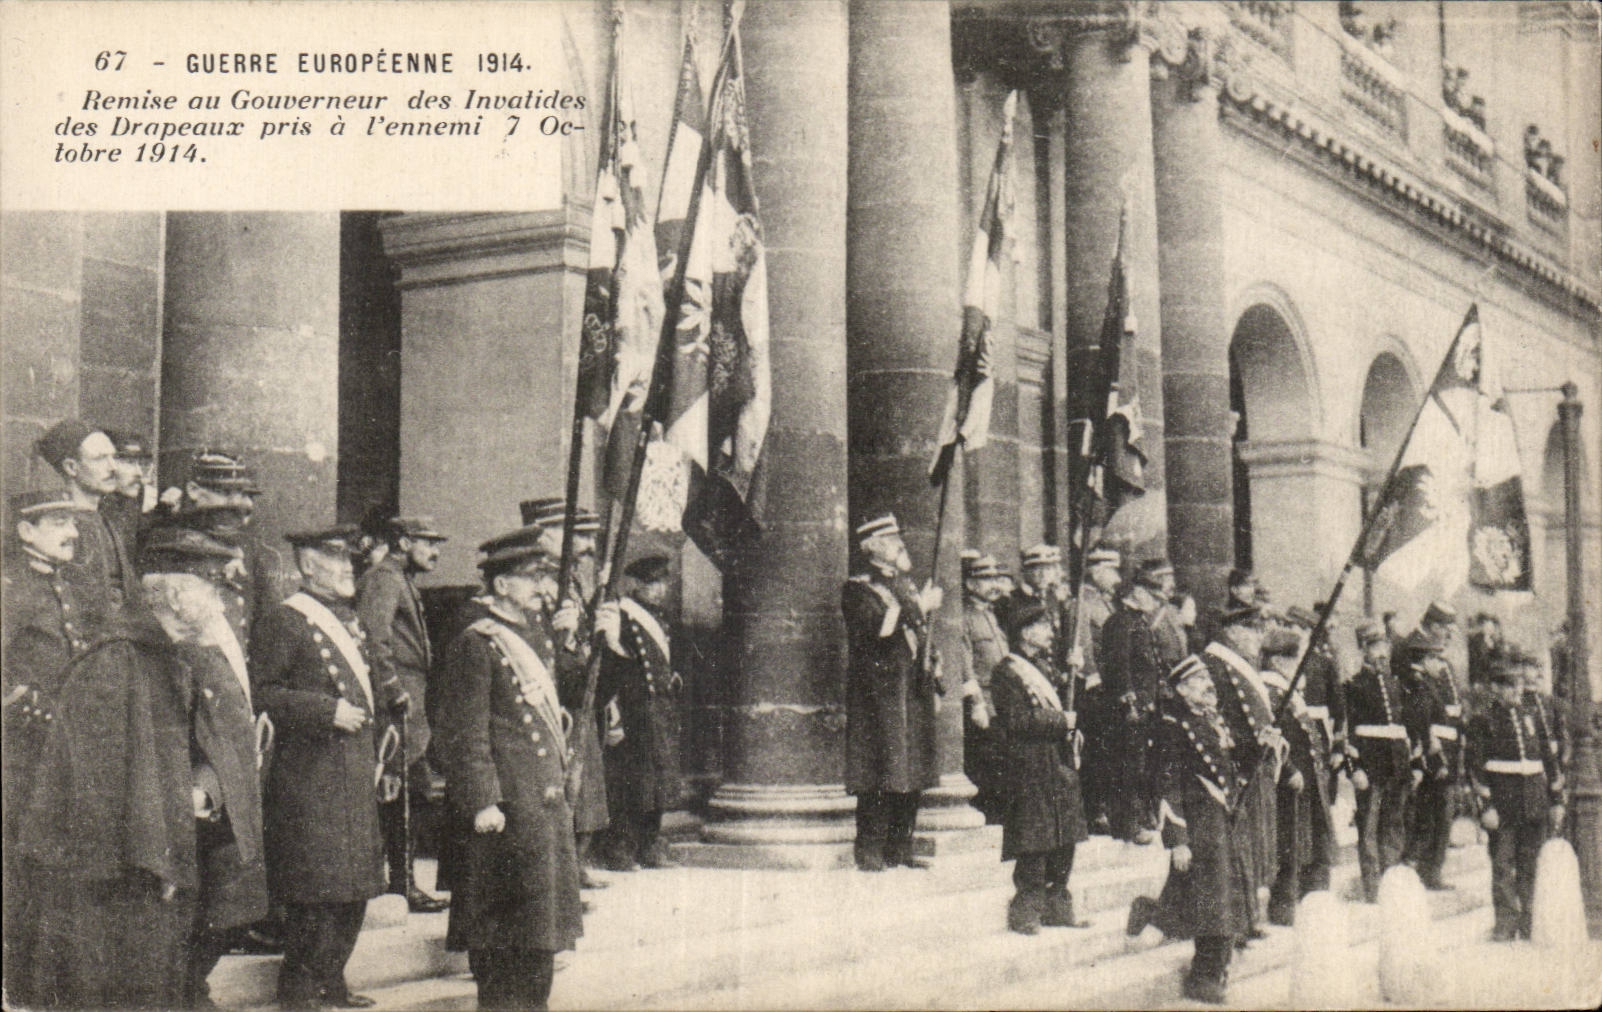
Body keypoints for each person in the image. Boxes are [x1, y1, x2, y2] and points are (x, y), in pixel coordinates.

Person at [3, 490, 196, 1009]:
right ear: (25, 531)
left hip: (81, 748)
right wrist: (30, 710)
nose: (72, 532)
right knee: (27, 874)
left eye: (72, 521)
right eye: (57, 523)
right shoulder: (9, 587)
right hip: (22, 753)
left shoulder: (75, 584)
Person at [252, 524, 408, 1010]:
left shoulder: (349, 619)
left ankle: (332, 981)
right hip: (310, 778)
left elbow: (375, 695)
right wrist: (324, 711)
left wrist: (387, 762)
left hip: (356, 772)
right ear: (307, 565)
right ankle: (300, 992)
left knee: (354, 889)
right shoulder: (285, 620)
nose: (348, 569)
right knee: (317, 892)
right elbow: (262, 694)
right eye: (336, 559)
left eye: (349, 560)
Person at [431, 525, 585, 1010]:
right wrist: (482, 799)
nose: (542, 587)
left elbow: (573, 699)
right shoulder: (477, 642)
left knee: (540, 939)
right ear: (501, 585)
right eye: (532, 577)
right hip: (507, 810)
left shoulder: (538, 635)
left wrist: (577, 642)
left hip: (543, 806)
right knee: (501, 943)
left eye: (543, 576)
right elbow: (464, 731)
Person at [141, 526, 272, 1007]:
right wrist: (203, 787)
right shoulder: (157, 652)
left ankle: (191, 990)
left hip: (224, 800)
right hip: (190, 809)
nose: (220, 600)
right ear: (178, 595)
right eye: (211, 587)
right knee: (191, 917)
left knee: (230, 912)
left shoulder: (206, 640)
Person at [1125, 655, 1252, 1005]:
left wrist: (1263, 745)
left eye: (1207, 679)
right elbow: (1167, 785)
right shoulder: (1173, 726)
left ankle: (1153, 915)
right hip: (1198, 822)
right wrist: (1178, 840)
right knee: (1213, 898)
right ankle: (1204, 975)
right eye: (1199, 681)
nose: (1208, 685)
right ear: (1182, 689)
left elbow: (1234, 764)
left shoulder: (1211, 720)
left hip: (1222, 819)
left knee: (1213, 892)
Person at [356, 515, 452, 914]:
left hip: (409, 700)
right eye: (428, 542)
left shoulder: (399, 579)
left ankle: (400, 881)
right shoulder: (384, 579)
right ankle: (399, 884)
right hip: (394, 706)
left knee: (411, 794)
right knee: (401, 795)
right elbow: (373, 639)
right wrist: (393, 690)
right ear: (404, 542)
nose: (435, 552)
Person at [518, 497, 613, 889]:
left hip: (575, 686)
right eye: (565, 531)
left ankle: (575, 866)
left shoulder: (567, 579)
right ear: (541, 534)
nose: (579, 543)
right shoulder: (536, 579)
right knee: (562, 785)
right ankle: (562, 872)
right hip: (552, 695)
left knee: (585, 783)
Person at [842, 514, 943, 872]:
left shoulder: (906, 585)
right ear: (875, 548)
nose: (901, 545)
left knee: (911, 771)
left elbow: (921, 636)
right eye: (892, 540)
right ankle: (870, 848)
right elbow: (877, 628)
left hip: (911, 689)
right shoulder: (859, 589)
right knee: (879, 771)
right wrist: (920, 607)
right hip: (879, 694)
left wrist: (935, 674)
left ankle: (900, 846)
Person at [992, 601, 1090, 934]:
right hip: (1030, 766)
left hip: (1058, 763)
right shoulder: (1007, 673)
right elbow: (1018, 720)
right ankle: (1026, 912)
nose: (1049, 632)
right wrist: (1062, 721)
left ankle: (1058, 906)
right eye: (1043, 627)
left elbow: (1070, 707)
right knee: (1035, 841)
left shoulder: (1044, 669)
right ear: (1025, 633)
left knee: (1065, 838)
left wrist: (1075, 674)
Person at [1467, 649, 1565, 941]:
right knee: (1502, 864)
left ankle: (1530, 918)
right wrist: (1486, 807)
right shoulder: (1483, 720)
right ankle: (1506, 921)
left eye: (1519, 685)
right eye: (1510, 685)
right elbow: (1475, 768)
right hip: (1503, 804)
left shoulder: (1531, 716)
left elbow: (1549, 760)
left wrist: (1556, 800)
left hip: (1534, 800)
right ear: (1496, 688)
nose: (1516, 691)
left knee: (1530, 863)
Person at [598, 554, 686, 870]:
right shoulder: (622, 615)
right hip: (633, 709)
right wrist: (614, 711)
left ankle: (650, 845)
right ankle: (620, 848)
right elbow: (613, 662)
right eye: (652, 583)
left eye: (662, 583)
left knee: (658, 780)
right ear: (635, 585)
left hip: (658, 709)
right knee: (632, 782)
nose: (659, 590)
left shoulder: (659, 617)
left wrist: (670, 678)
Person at [167, 450, 295, 661]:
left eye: (241, 493)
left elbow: (268, 625)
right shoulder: (167, 541)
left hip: (234, 666)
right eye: (225, 493)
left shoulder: (251, 551)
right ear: (193, 490)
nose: (237, 503)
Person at [1199, 604, 1279, 936]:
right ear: (1233, 632)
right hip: (1233, 767)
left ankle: (1248, 917)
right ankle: (1238, 922)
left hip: (1254, 765)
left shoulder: (1243, 666)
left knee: (1255, 847)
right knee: (1237, 850)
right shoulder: (1212, 664)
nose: (1258, 639)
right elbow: (1214, 717)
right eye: (1253, 631)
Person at [1098, 558, 1175, 843]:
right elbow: (1119, 667)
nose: (1155, 602)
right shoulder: (1119, 622)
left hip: (1145, 706)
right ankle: (1127, 824)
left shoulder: (1138, 621)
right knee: (1127, 767)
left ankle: (1142, 815)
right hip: (1128, 710)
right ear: (1136, 592)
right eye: (1151, 595)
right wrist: (1129, 702)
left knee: (1142, 765)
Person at [1260, 627, 1333, 925]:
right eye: (1295, 659)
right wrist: (1289, 769)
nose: (1300, 666)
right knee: (1289, 845)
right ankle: (1283, 907)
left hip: (1308, 780)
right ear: (1278, 661)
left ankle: (1314, 901)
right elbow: (1274, 738)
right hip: (1289, 782)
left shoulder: (1289, 693)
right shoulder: (1272, 692)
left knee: (1311, 841)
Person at [1344, 618, 1420, 903]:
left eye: (1384, 647)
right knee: (1369, 829)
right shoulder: (1353, 686)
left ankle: (1391, 883)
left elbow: (1408, 729)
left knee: (1394, 824)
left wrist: (1414, 765)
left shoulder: (1397, 685)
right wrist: (1354, 769)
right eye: (1374, 647)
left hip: (1397, 766)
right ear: (1363, 650)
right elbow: (1347, 732)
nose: (1381, 653)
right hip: (1371, 767)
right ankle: (1374, 889)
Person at [35, 418, 138, 614]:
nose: (113, 467)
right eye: (100, 459)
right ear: (71, 467)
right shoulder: (64, 531)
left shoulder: (106, 520)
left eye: (113, 457)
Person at [1397, 600, 1464, 892]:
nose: (1449, 635)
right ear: (1434, 626)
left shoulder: (1439, 654)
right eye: (1446, 629)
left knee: (1443, 810)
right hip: (1429, 744)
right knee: (1426, 810)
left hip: (1447, 743)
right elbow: (1415, 704)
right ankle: (1418, 865)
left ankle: (1432, 868)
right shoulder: (1411, 649)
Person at [959, 551, 1010, 824]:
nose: (995, 585)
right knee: (986, 760)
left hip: (1000, 697)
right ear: (970, 584)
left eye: (995, 578)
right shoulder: (965, 617)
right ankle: (989, 815)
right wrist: (976, 702)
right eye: (987, 579)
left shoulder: (990, 614)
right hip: (983, 699)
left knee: (1001, 758)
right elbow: (965, 663)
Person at [101, 428, 156, 553]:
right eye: (129, 462)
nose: (139, 473)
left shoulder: (133, 498)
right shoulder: (96, 504)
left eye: (142, 463)